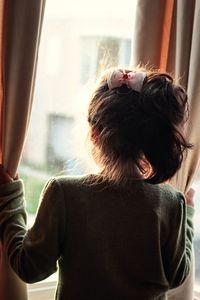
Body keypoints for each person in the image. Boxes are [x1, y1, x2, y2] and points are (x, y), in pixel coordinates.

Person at [0, 68, 195, 300]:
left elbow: (30, 268)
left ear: (94, 133)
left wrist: (10, 200)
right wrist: (187, 217)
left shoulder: (64, 194)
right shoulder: (172, 202)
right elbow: (177, 275)